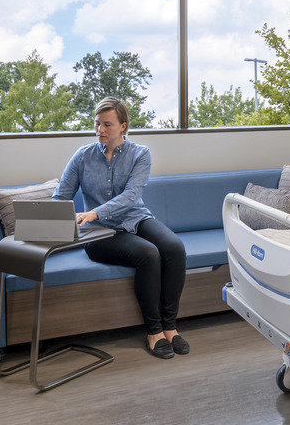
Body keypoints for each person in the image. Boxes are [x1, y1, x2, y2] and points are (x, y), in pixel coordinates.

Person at [53, 98, 189, 359]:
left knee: (174, 248)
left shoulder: (141, 154)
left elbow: (131, 195)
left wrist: (95, 211)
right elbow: (61, 196)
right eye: (97, 124)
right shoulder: (82, 156)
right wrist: (54, 219)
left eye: (107, 124)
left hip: (135, 218)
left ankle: (170, 327)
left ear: (123, 126)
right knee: (148, 254)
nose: (99, 130)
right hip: (98, 231)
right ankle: (154, 332)